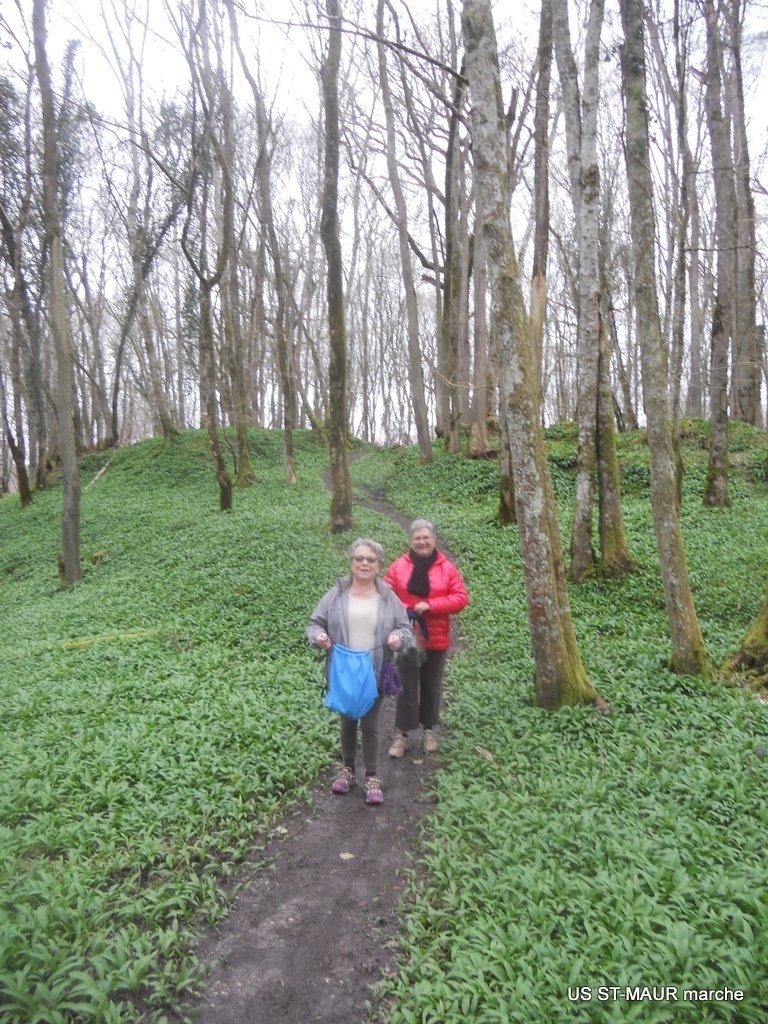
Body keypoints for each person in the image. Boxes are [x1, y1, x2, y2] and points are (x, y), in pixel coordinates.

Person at [306, 538, 414, 805]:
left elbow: (406, 628)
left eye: (371, 559)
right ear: (351, 562)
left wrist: (398, 639)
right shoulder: (336, 594)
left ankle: (372, 776)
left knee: (370, 724)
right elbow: (314, 623)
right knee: (347, 722)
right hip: (343, 670)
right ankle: (348, 769)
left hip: (375, 668)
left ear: (379, 565)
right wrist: (318, 636)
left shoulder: (388, 596)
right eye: (359, 558)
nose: (364, 563)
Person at [384, 519, 469, 756]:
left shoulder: (447, 568)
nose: (421, 542)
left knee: (431, 685)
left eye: (426, 537)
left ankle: (429, 730)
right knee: (406, 687)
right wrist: (404, 608)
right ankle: (402, 734)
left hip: (436, 637)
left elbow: (461, 598)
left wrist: (430, 606)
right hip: (407, 636)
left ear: (434, 540)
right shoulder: (398, 567)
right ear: (411, 540)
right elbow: (384, 594)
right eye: (417, 538)